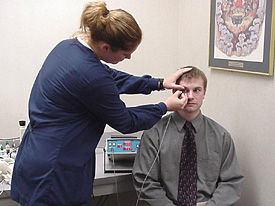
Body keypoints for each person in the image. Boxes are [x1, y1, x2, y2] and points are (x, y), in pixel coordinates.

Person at [10, 2, 191, 206]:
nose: (129, 57)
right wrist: (165, 106)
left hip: (36, 156)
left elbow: (108, 76)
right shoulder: (90, 74)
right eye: (125, 53)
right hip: (56, 171)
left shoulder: (68, 48)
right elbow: (126, 122)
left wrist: (158, 83)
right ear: (106, 47)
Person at [133, 66, 244, 206]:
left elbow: (231, 181)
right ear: (175, 92)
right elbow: (145, 181)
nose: (190, 96)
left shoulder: (221, 136)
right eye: (185, 90)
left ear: (204, 93)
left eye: (197, 90)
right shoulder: (154, 133)